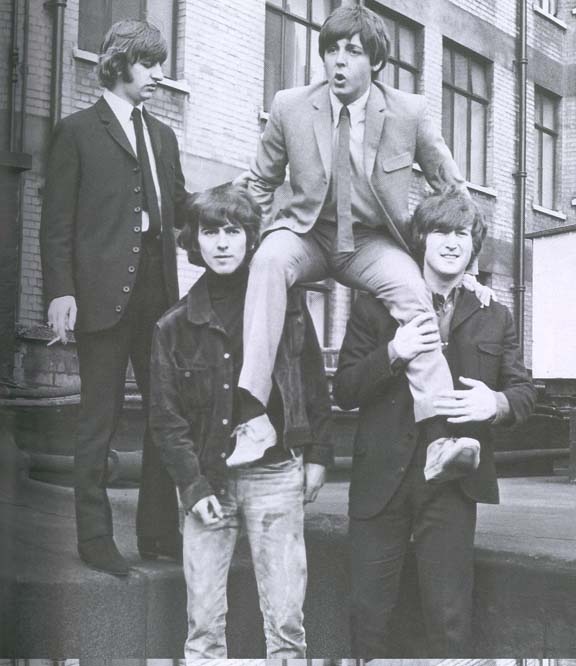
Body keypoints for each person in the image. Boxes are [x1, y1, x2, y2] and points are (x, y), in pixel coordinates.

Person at [233, 4, 490, 467]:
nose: (339, 61)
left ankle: (439, 438)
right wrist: (244, 246)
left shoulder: (408, 111)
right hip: (308, 233)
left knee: (413, 289)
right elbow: (259, 183)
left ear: (375, 60)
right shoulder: (290, 105)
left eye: (352, 51)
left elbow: (452, 188)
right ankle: (253, 416)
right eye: (331, 50)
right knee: (268, 261)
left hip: (372, 241)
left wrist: (467, 268)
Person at [333, 188, 537, 657]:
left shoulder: (494, 314)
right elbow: (343, 390)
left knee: (449, 619)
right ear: (421, 239)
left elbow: (525, 392)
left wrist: (495, 403)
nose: (451, 242)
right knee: (368, 615)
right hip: (381, 479)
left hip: (452, 484)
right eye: (441, 231)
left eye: (462, 233)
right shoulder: (373, 305)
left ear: (473, 244)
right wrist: (393, 352)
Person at [149, 183, 332, 659]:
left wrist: (318, 454)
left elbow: (313, 382)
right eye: (211, 232)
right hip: (209, 481)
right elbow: (165, 419)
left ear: (251, 237)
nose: (223, 243)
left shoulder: (288, 303)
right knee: (203, 626)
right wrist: (192, 487)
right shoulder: (174, 326)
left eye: (233, 231)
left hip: (276, 474)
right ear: (195, 241)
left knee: (287, 624)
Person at [40, 20, 191, 575]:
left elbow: (181, 207)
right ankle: (95, 538)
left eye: (161, 64)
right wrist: (60, 291)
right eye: (149, 64)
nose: (159, 74)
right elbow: (56, 223)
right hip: (101, 294)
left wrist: (235, 202)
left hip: (159, 295)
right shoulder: (77, 131)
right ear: (119, 62)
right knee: (97, 419)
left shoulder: (164, 136)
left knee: (164, 416)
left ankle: (158, 533)